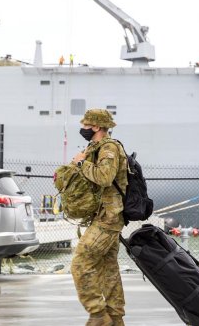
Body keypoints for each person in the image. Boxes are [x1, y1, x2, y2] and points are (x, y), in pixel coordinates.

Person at [71, 109, 128, 326]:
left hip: (108, 218)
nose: (83, 129)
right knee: (108, 268)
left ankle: (97, 315)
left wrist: (80, 163)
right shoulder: (96, 147)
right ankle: (115, 318)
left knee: (80, 263)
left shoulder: (109, 148)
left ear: (96, 127)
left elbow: (105, 177)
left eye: (86, 125)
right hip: (105, 215)